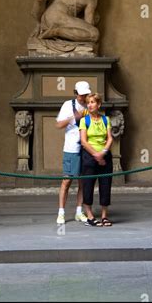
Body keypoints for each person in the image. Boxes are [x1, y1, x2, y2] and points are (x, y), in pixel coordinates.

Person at [55, 81, 91, 225]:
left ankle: (78, 211)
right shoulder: (68, 105)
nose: (84, 97)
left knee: (83, 181)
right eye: (82, 95)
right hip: (71, 148)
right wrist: (73, 118)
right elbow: (58, 124)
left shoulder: (91, 104)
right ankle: (61, 213)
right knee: (67, 181)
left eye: (86, 94)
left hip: (86, 148)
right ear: (76, 93)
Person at [79, 92, 114, 227]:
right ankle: (90, 215)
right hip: (89, 156)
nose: (90, 105)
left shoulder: (106, 119)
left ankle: (105, 215)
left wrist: (103, 152)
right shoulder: (84, 120)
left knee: (105, 185)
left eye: (92, 102)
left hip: (105, 155)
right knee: (88, 185)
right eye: (88, 103)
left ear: (99, 104)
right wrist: (96, 154)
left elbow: (110, 138)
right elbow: (83, 141)